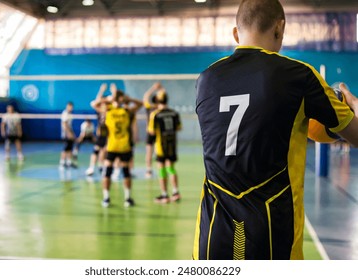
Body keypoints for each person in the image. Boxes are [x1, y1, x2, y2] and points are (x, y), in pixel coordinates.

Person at [193, 0, 358, 260]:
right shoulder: (298, 76)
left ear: (236, 34)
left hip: (212, 235)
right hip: (272, 236)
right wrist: (354, 106)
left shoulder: (206, 79)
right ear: (280, 28)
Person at [101, 84, 143, 208]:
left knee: (110, 172)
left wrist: (108, 98)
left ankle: (107, 198)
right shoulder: (126, 110)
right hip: (122, 146)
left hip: (114, 146)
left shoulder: (109, 110)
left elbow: (95, 104)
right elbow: (140, 104)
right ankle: (127, 198)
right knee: (124, 172)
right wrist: (128, 100)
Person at [148, 90, 182, 204]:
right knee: (171, 168)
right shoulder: (174, 113)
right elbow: (178, 128)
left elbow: (151, 131)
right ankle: (176, 192)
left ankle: (164, 195)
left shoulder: (155, 114)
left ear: (157, 101)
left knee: (161, 168)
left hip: (160, 146)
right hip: (172, 144)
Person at [85, 84, 109, 176]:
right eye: (102, 103)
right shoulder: (99, 111)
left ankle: (102, 167)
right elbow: (93, 103)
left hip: (109, 135)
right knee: (96, 150)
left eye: (105, 103)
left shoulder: (110, 111)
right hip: (101, 134)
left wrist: (106, 100)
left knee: (105, 151)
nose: (103, 105)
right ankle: (91, 168)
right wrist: (101, 91)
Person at [143, 82, 160, 178]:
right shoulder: (150, 107)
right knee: (149, 151)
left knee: (158, 153)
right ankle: (149, 170)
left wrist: (160, 89)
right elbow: (146, 96)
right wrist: (153, 88)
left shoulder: (161, 109)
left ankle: (159, 168)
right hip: (150, 132)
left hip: (159, 133)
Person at [59, 102, 77, 169]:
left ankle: (68, 162)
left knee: (70, 148)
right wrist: (68, 134)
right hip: (66, 134)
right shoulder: (65, 113)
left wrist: (72, 134)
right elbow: (64, 124)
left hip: (70, 133)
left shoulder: (70, 114)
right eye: (70, 107)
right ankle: (62, 162)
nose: (71, 108)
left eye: (72, 107)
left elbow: (69, 126)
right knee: (65, 148)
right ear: (67, 106)